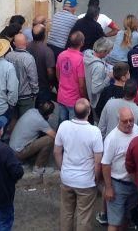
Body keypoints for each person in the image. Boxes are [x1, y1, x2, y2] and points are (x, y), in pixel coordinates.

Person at [54, 99, 103, 231]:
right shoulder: (95, 131)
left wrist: (62, 169)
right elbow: (98, 160)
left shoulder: (63, 126)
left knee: (66, 213)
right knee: (84, 217)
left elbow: (57, 151)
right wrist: (97, 178)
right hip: (86, 182)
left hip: (67, 178)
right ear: (89, 112)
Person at [101, 107, 138, 231]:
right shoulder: (112, 138)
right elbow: (105, 164)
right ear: (119, 120)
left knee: (127, 219)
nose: (129, 124)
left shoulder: (136, 129)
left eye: (131, 120)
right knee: (114, 222)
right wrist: (108, 188)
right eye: (125, 121)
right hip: (117, 184)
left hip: (132, 184)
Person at [8, 100, 56, 176]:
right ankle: (38, 169)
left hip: (12, 149)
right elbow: (54, 136)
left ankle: (25, 160)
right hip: (18, 152)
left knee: (41, 135)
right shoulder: (41, 121)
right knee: (49, 140)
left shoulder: (32, 111)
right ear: (49, 114)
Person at [7, 33, 39, 124]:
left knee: (13, 119)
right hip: (26, 96)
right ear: (26, 43)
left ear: (14, 43)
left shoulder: (8, 56)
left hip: (12, 94)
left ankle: (13, 137)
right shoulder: (29, 58)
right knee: (26, 122)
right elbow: (33, 78)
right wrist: (35, 92)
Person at [56, 32, 87, 122]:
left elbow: (58, 74)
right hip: (74, 99)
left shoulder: (61, 54)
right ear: (81, 43)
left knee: (62, 122)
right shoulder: (80, 59)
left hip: (62, 95)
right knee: (73, 125)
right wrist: (84, 97)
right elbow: (81, 84)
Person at [84, 37, 113, 114]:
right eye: (108, 52)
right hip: (96, 101)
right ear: (103, 51)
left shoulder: (88, 54)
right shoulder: (98, 67)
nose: (108, 54)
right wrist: (109, 77)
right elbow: (95, 90)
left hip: (87, 94)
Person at [27, 23, 56, 99]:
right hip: (43, 86)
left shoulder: (27, 46)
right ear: (44, 35)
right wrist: (51, 83)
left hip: (29, 84)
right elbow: (50, 72)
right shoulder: (47, 51)